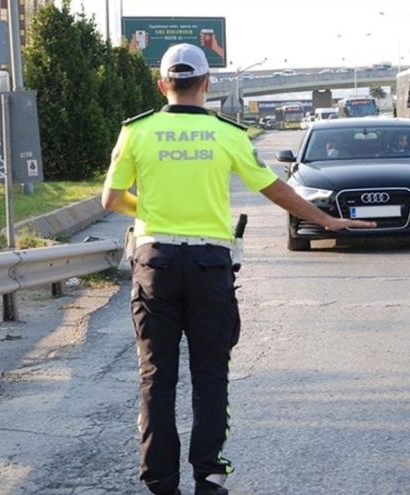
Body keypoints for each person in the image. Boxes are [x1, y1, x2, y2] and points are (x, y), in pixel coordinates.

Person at [101, 43, 375, 495]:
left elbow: (110, 200)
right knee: (210, 374)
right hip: (210, 265)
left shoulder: (137, 132)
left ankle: (160, 479)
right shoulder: (227, 134)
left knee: (156, 376)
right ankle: (208, 475)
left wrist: (148, 210)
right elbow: (274, 189)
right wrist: (326, 220)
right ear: (208, 85)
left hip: (156, 263)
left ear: (162, 84)